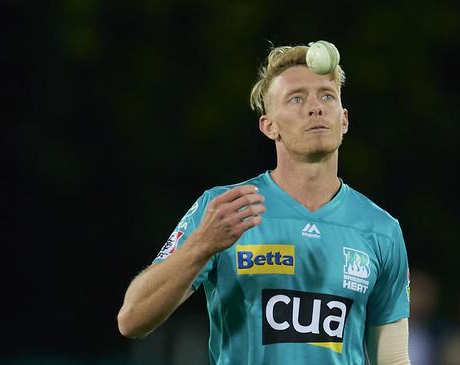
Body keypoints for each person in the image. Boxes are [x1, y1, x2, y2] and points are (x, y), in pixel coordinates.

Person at [117, 42, 411, 365]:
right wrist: (201, 245)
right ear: (269, 125)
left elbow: (394, 359)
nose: (315, 108)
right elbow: (132, 319)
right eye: (296, 98)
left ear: (343, 120)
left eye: (327, 96)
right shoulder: (225, 208)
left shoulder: (381, 230)